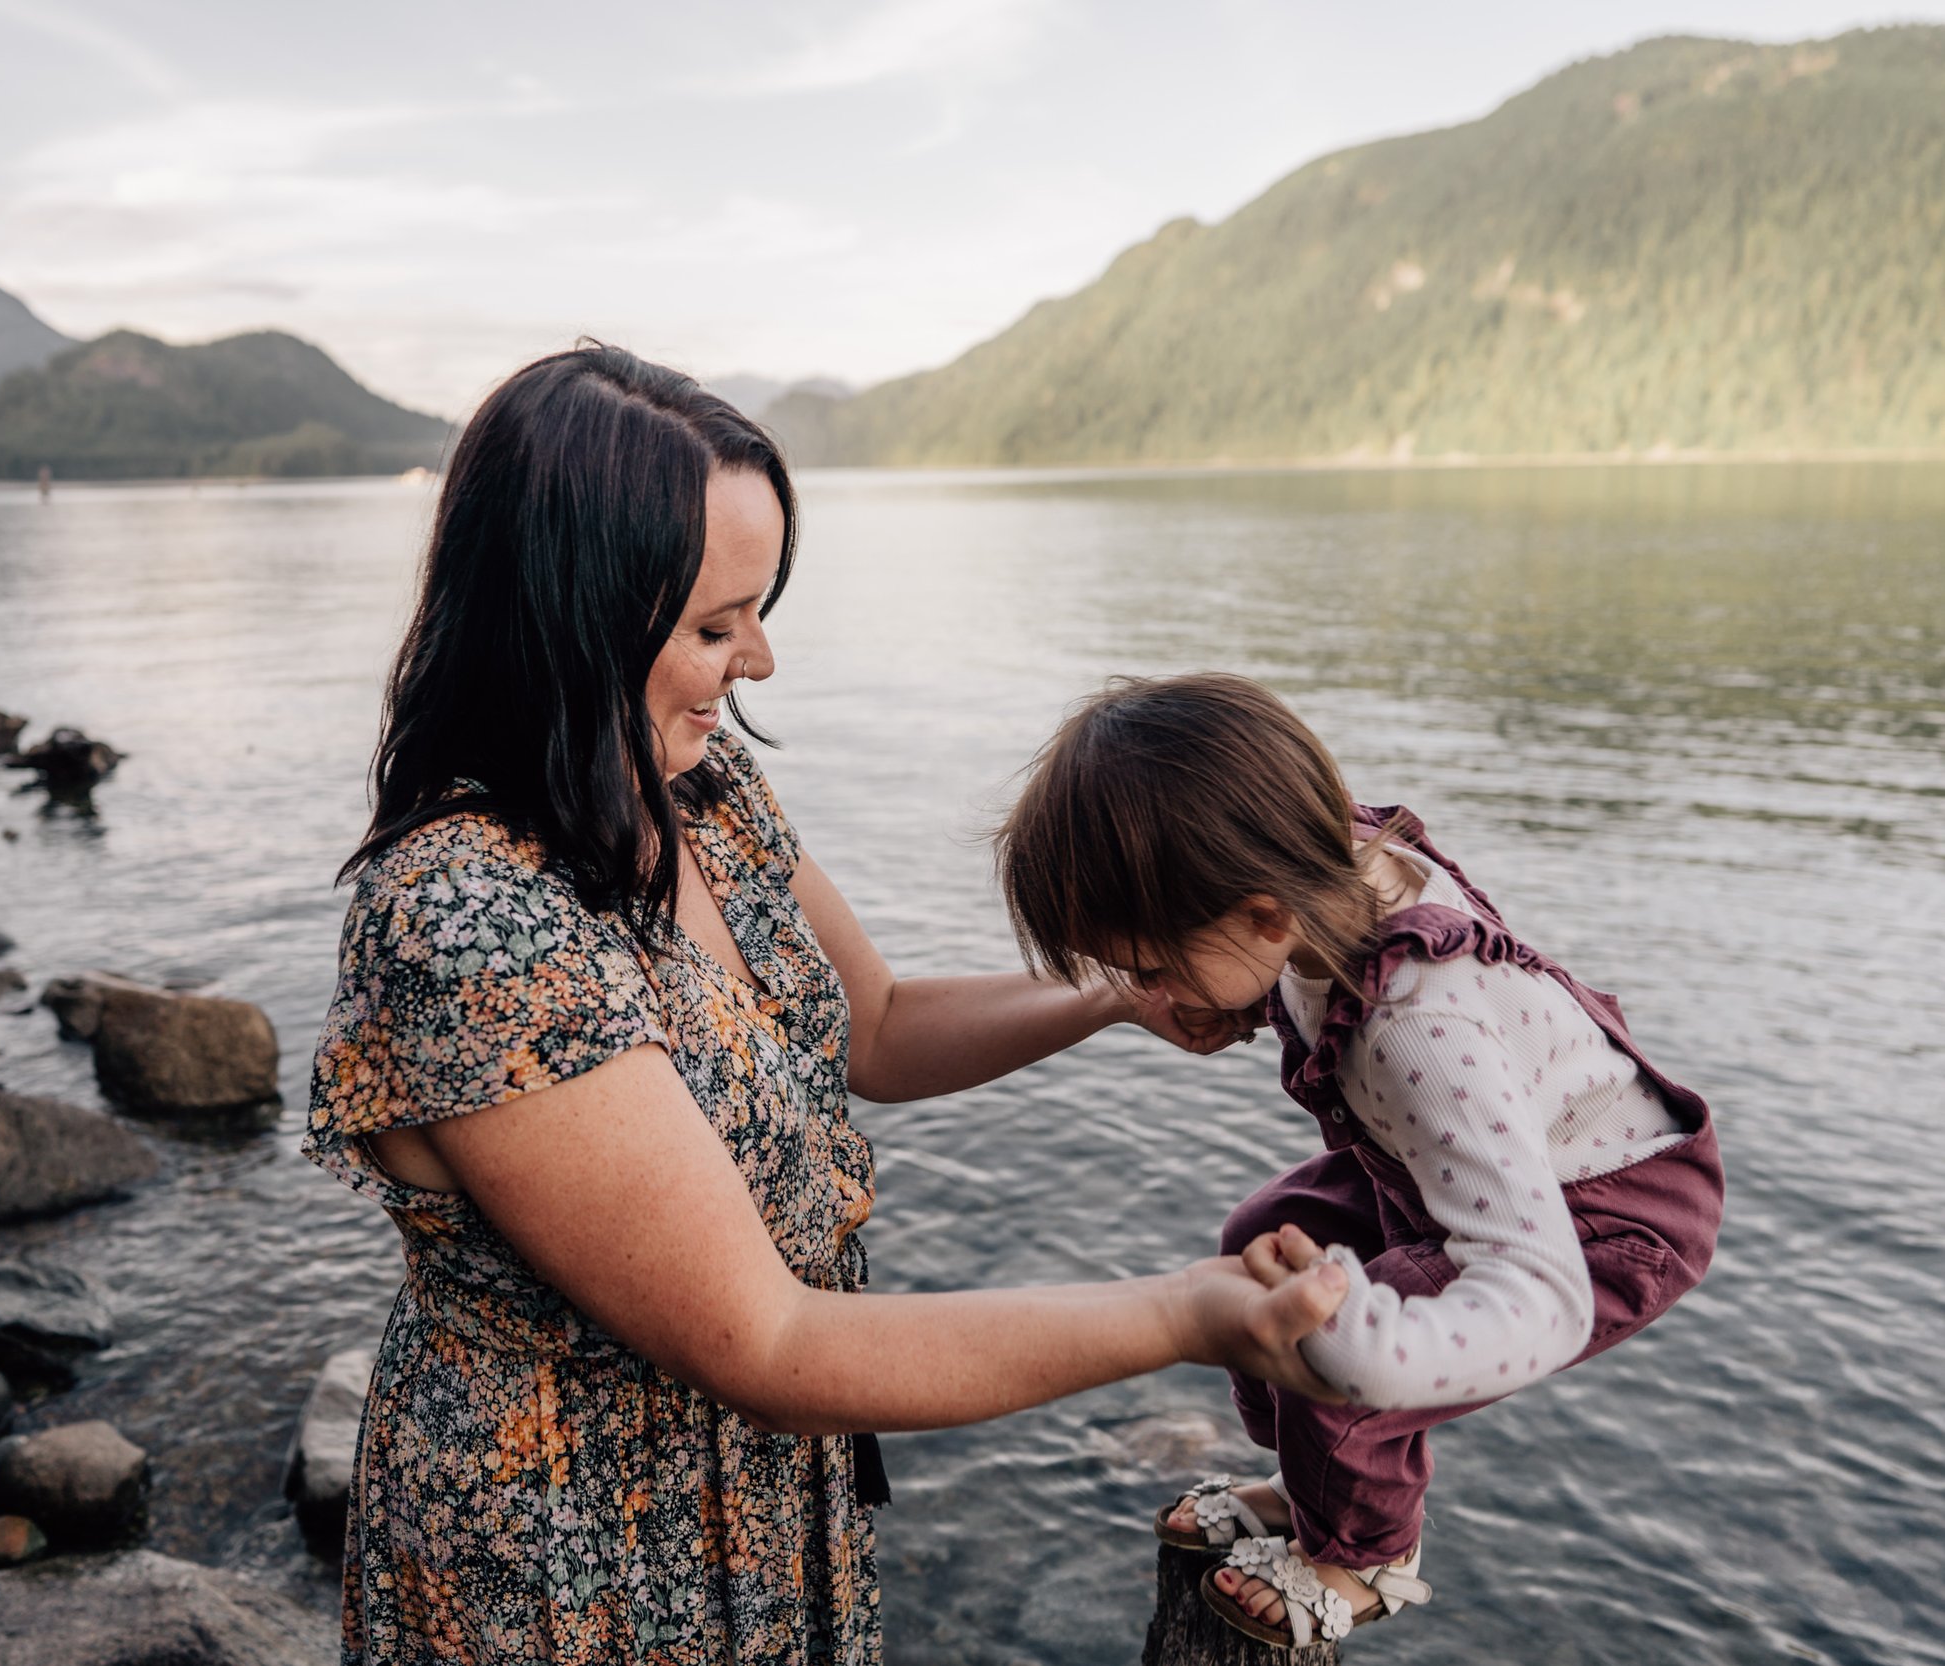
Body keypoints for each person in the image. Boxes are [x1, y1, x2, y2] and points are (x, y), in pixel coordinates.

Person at [301, 345, 1349, 1663]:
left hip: (763, 1511)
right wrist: (1192, 1315)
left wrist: (1115, 996)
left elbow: (881, 1023)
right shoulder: (465, 918)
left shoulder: (701, 794)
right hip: (574, 1565)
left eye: (759, 608)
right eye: (714, 624)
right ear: (569, 614)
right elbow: (768, 1338)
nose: (762, 659)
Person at [994, 672, 1725, 1650]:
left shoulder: (1419, 1026)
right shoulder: (1318, 869)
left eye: (1153, 968)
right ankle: (1312, 1495)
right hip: (1453, 1163)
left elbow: (1544, 1291)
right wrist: (1240, 999)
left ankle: (1364, 1556)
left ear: (1263, 917)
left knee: (1325, 1356)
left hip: (1596, 1216)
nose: (1146, 991)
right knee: (1257, 1242)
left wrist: (1375, 1358)